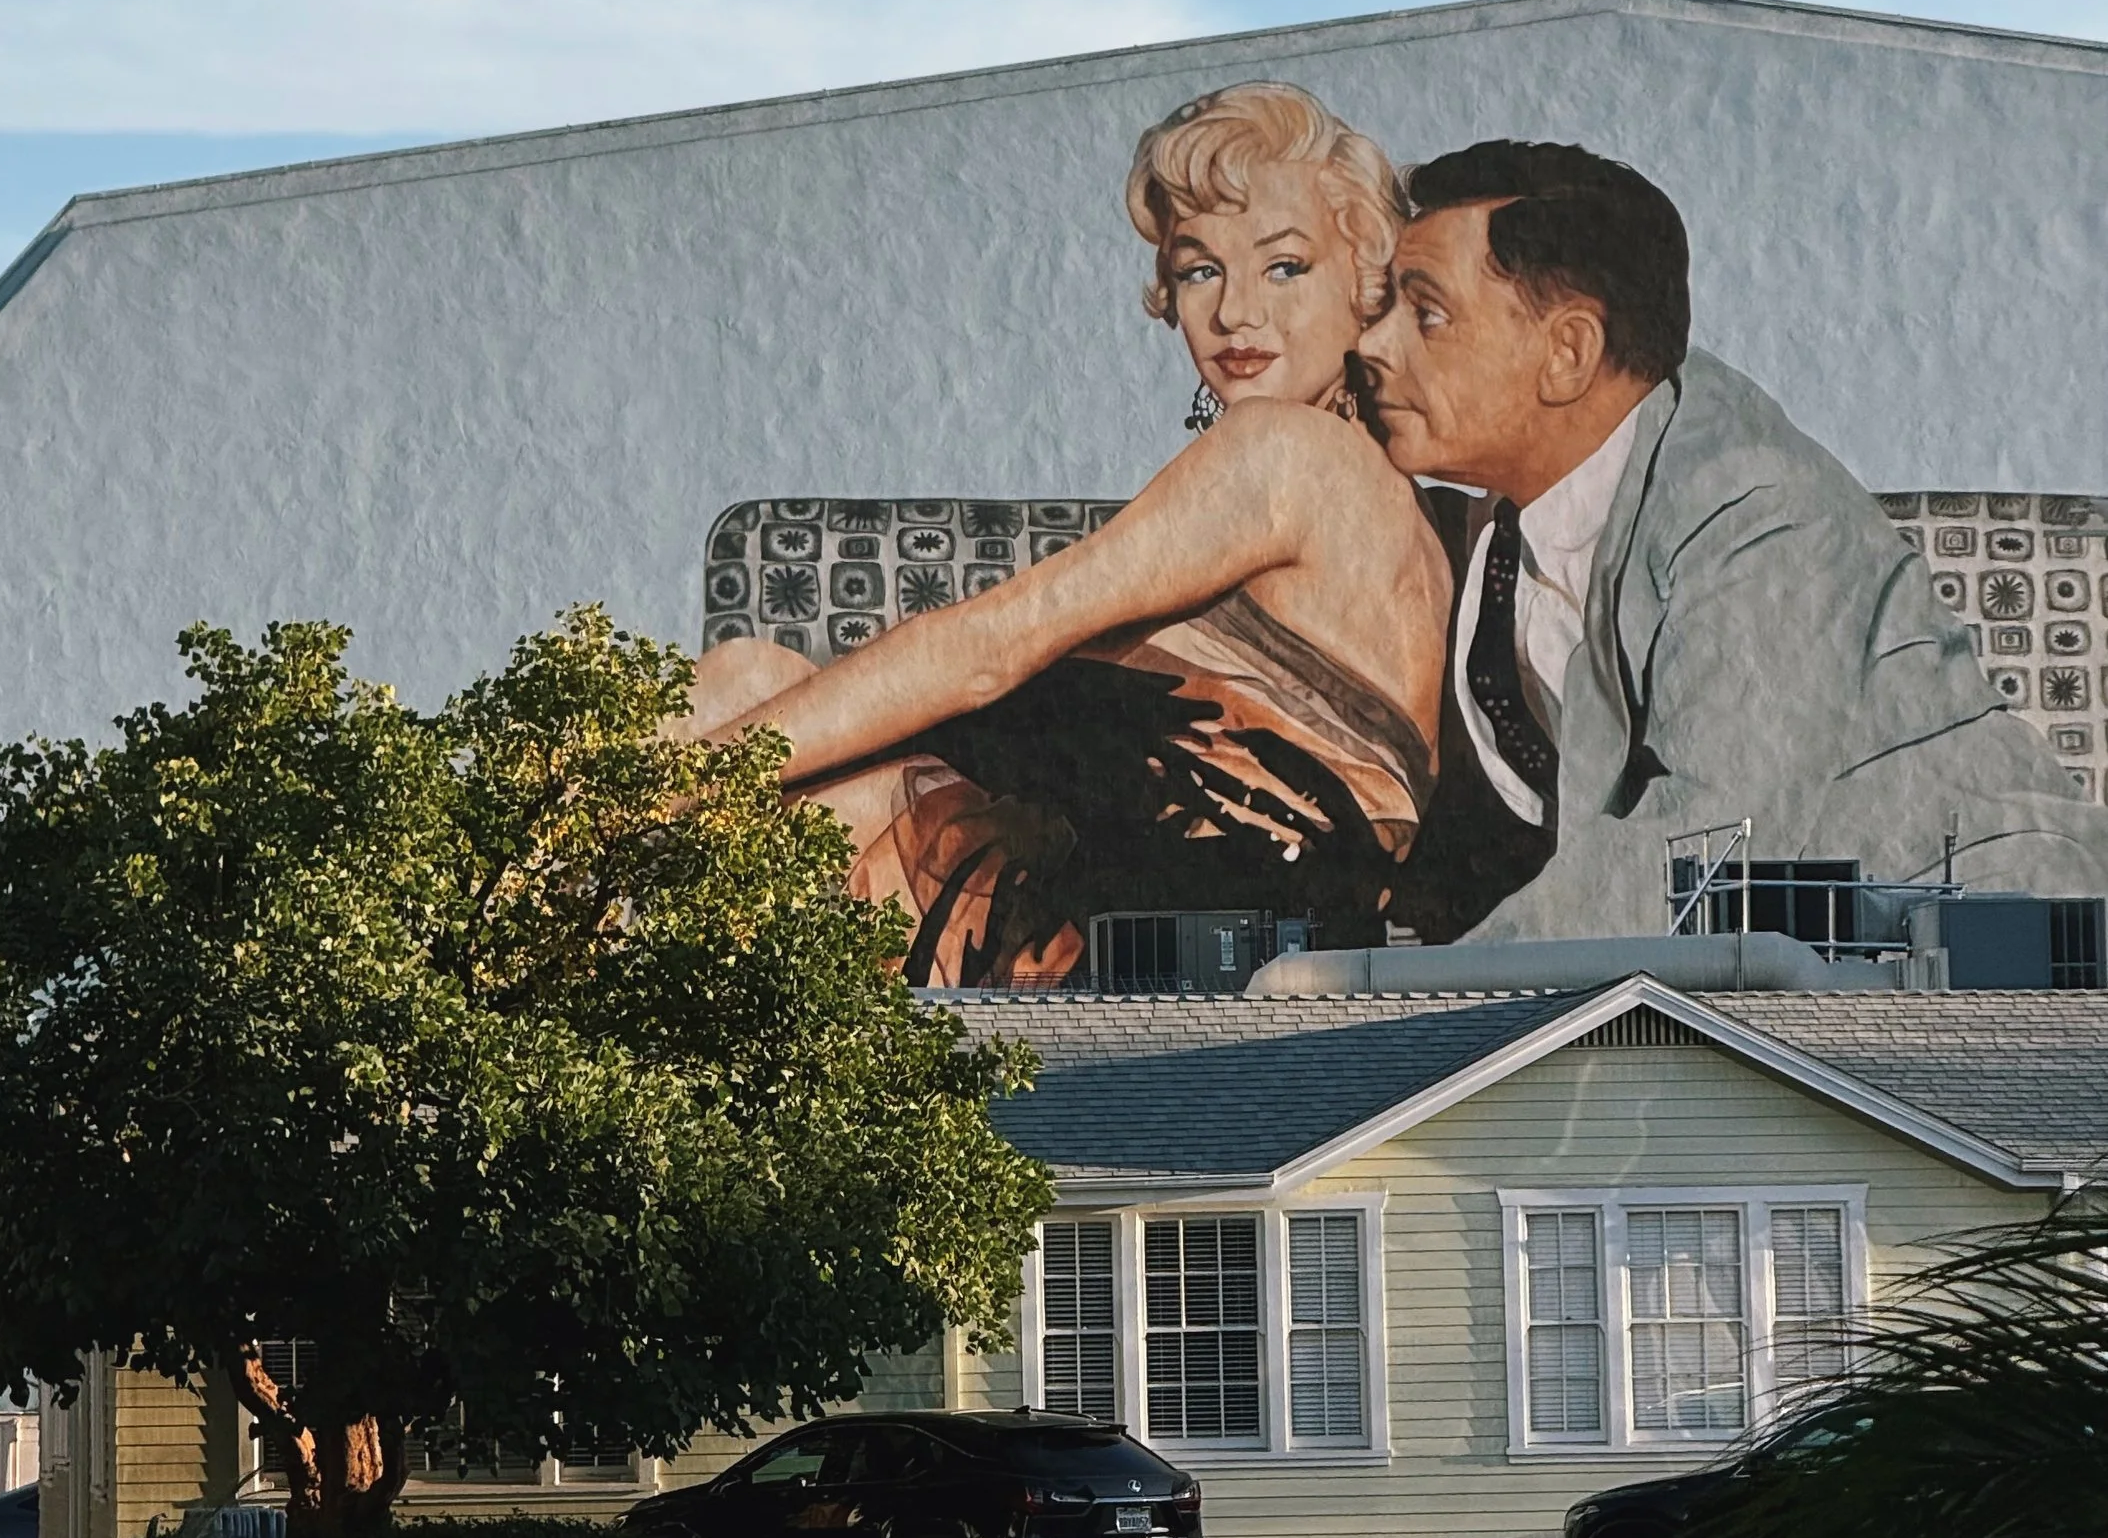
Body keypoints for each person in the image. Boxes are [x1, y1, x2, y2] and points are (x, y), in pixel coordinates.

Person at [692, 83, 1453, 984]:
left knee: (718, 708)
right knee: (750, 683)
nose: (1236, 313)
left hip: (1149, 943)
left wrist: (665, 787)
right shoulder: (1401, 511)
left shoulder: (1284, 454)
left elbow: (989, 649)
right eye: (1200, 270)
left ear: (1363, 282)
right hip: (1217, 929)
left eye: (1285, 266)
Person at [1366, 141, 2108, 937]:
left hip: (1987, 942)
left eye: (1427, 315)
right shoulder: (1505, 522)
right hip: (1765, 950)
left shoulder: (1756, 509)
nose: (1374, 345)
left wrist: (1433, 989)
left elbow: (1706, 841)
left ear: (1569, 353)